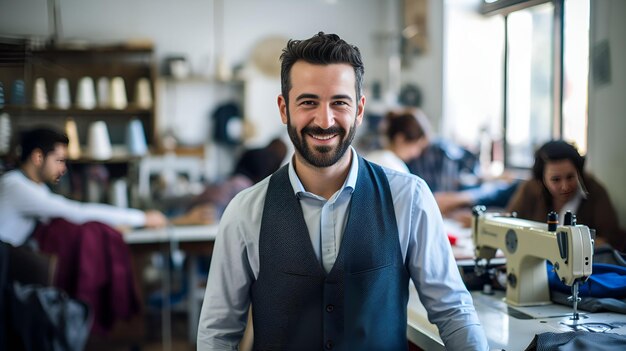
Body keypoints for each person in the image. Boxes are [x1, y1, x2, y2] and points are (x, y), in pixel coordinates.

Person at [197, 32, 488, 350]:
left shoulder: (409, 198)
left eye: (339, 102)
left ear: (359, 110)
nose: (325, 120)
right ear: (284, 109)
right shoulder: (245, 211)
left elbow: (453, 311)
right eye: (308, 102)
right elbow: (218, 333)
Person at [0, 127, 168, 247]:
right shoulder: (16, 186)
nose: (63, 168)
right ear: (38, 157)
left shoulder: (34, 187)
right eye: (59, 160)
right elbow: (76, 212)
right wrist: (142, 218)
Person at [506, 140, 626, 252]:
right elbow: (508, 224)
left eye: (570, 177)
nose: (565, 186)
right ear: (541, 180)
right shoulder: (530, 189)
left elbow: (611, 240)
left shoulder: (595, 192)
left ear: (579, 172)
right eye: (556, 179)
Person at [365, 108, 430, 173]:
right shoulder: (396, 169)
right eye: (416, 145)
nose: (416, 153)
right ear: (400, 139)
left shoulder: (371, 158)